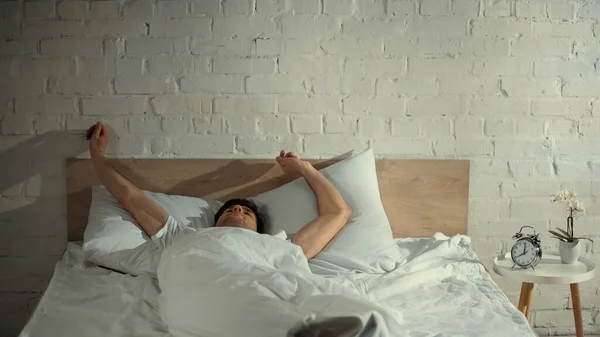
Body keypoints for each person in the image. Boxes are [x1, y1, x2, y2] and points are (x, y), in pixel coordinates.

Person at [87, 122, 351, 259]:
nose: (237, 209)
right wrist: (97, 156)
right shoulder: (181, 237)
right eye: (229, 210)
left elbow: (338, 213)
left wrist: (304, 169)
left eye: (246, 211)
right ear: (214, 224)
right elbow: (130, 196)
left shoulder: (281, 247)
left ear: (258, 229)